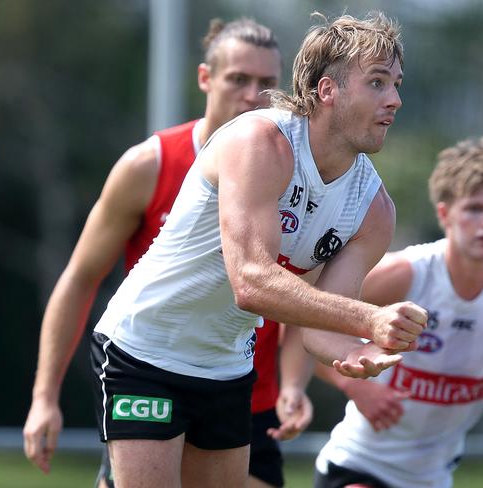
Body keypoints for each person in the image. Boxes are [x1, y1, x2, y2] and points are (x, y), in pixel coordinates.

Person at [79, 10, 426, 488]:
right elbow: (251, 281)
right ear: (328, 90)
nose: (395, 99)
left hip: (226, 366)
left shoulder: (373, 211)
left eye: (396, 84)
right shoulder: (261, 141)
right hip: (145, 350)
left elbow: (318, 331)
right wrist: (368, 318)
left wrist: (360, 349)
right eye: (378, 83)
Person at [22, 18, 313, 488]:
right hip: (153, 376)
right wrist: (44, 396)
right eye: (238, 79)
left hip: (246, 400)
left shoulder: (296, 176)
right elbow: (79, 277)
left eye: (267, 83)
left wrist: (295, 383)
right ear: (205, 78)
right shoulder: (151, 165)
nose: (252, 95)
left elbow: (303, 287)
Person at [314, 136, 483, 488]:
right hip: (357, 466)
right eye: (474, 208)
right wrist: (356, 388)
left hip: (433, 478)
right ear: (445, 214)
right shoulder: (406, 273)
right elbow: (306, 320)